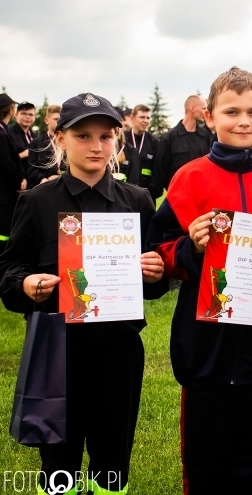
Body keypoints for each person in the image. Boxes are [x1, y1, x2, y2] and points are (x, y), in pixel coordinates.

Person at [146, 67, 252, 494]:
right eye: (231, 112)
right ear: (210, 117)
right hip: (206, 342)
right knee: (206, 459)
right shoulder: (189, 178)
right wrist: (191, 247)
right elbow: (159, 249)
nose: (244, 121)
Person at [0, 92, 168, 494]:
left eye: (106, 136)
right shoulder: (38, 201)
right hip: (58, 347)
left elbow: (157, 281)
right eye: (83, 136)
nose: (96, 146)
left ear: (117, 141)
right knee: (59, 455)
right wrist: (26, 284)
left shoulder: (137, 200)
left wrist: (156, 272)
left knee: (113, 453)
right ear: (60, 139)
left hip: (119, 348)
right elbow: (9, 269)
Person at [153, 95, 213, 194]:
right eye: (203, 108)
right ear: (192, 108)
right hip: (178, 194)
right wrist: (173, 190)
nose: (206, 112)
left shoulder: (205, 135)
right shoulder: (170, 137)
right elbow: (160, 169)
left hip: (202, 192)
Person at [0, 93, 26, 252]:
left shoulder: (4, 130)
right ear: (10, 110)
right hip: (5, 192)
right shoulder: (2, 134)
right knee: (4, 229)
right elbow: (6, 164)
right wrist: (19, 180)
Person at [124, 104, 161, 204]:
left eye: (148, 118)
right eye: (142, 117)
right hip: (124, 196)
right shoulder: (123, 140)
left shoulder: (155, 143)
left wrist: (150, 193)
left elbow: (158, 172)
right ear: (132, 118)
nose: (146, 121)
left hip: (147, 197)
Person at [27, 104, 62, 188]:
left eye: (61, 119)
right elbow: (31, 169)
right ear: (47, 120)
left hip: (66, 185)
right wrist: (43, 179)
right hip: (44, 187)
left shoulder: (68, 141)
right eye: (56, 119)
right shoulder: (36, 143)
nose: (59, 122)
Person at [8, 101, 36, 174]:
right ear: (16, 115)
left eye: (31, 114)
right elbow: (4, 159)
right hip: (14, 176)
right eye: (23, 114)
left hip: (32, 176)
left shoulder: (34, 135)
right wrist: (23, 154)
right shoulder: (7, 133)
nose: (27, 117)